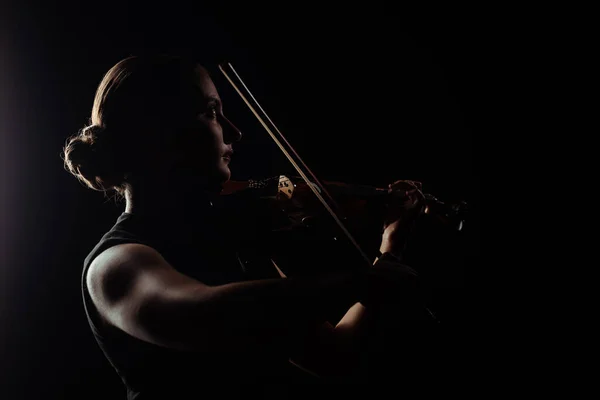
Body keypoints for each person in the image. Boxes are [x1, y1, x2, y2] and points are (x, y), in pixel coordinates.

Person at [62, 54, 430, 399]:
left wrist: (390, 248)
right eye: (212, 112)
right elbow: (204, 315)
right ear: (158, 132)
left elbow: (335, 356)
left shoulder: (227, 243)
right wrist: (360, 281)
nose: (234, 133)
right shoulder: (116, 265)